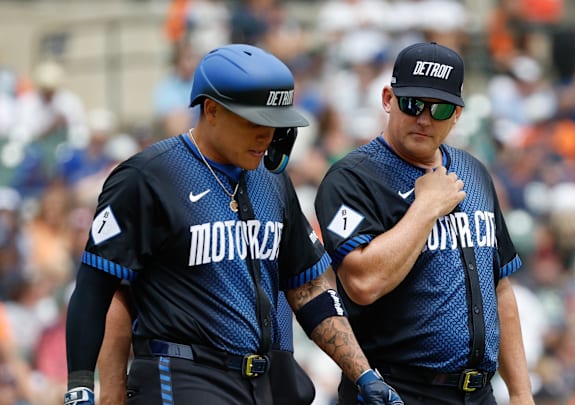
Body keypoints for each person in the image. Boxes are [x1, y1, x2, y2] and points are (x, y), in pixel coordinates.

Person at [63, 43, 404, 405]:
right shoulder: (148, 177)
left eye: (275, 124)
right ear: (211, 110)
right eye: (255, 122)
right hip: (180, 374)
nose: (267, 136)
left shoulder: (272, 180)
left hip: (262, 379)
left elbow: (308, 290)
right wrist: (83, 384)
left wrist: (363, 373)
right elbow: (98, 287)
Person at [314, 41, 535, 404]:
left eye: (441, 108)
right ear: (388, 99)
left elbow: (500, 287)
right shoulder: (352, 178)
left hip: (478, 394)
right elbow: (363, 283)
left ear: (457, 115)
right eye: (413, 103)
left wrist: (522, 393)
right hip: (395, 390)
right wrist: (426, 206)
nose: (425, 118)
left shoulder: (473, 172)